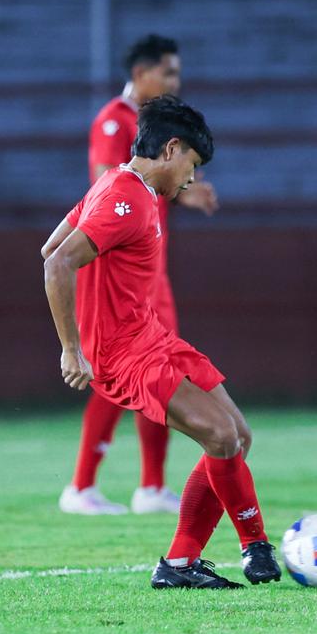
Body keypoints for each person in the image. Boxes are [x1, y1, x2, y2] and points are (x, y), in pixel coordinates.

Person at [43, 95, 280, 589]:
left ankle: (179, 565)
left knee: (238, 434)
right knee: (221, 437)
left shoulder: (118, 183)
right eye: (190, 166)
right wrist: (73, 348)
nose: (191, 179)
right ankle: (253, 546)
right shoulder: (125, 199)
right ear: (171, 149)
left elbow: (51, 245)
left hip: (153, 338)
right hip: (127, 355)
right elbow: (57, 262)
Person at [60, 34, 219, 516]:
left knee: (157, 372)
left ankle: (152, 486)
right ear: (141, 73)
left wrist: (183, 190)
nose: (175, 81)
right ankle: (82, 485)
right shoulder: (114, 120)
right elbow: (106, 183)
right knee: (119, 372)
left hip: (150, 270)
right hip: (115, 270)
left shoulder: (162, 128)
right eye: (168, 72)